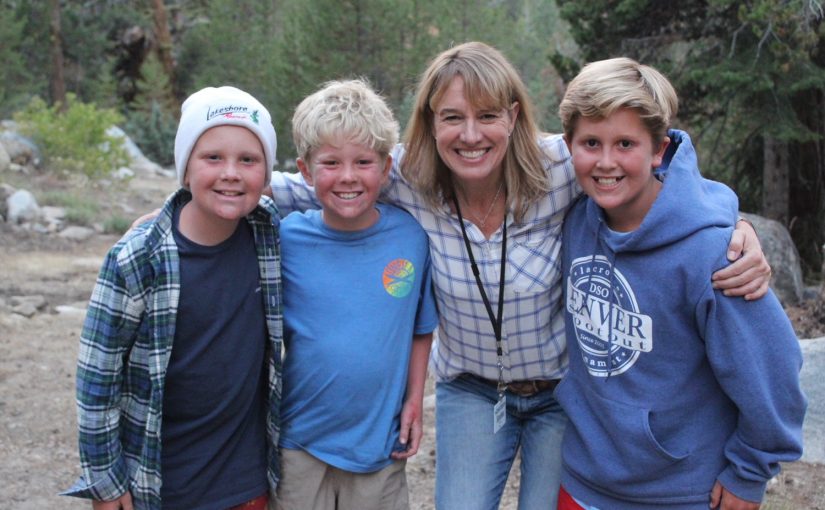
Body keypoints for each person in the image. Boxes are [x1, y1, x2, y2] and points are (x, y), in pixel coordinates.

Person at [269, 42, 772, 509]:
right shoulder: (403, 177)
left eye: (487, 116)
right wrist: (220, 184)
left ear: (512, 117)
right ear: (430, 121)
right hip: (470, 388)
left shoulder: (560, 167)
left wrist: (732, 222)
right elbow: (306, 182)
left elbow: (661, 173)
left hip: (559, 391)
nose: (470, 135)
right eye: (452, 118)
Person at [555, 57, 807, 510]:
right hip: (582, 479)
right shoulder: (576, 220)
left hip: (679, 492)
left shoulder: (714, 256)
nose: (606, 162)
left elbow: (774, 371)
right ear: (568, 145)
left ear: (659, 149)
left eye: (626, 143)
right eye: (591, 142)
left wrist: (750, 471)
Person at [63, 86, 283, 510]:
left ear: (266, 174)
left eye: (249, 160)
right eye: (213, 157)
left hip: (244, 479)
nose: (231, 173)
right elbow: (96, 380)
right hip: (159, 482)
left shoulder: (268, 232)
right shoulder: (136, 258)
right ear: (184, 169)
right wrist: (106, 483)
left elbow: (339, 184)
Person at [273, 79, 438, 510]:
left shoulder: (410, 238)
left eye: (363, 161)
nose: (348, 177)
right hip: (299, 442)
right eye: (330, 162)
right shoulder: (285, 239)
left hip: (379, 446)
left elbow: (420, 329)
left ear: (386, 169)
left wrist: (415, 400)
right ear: (305, 171)